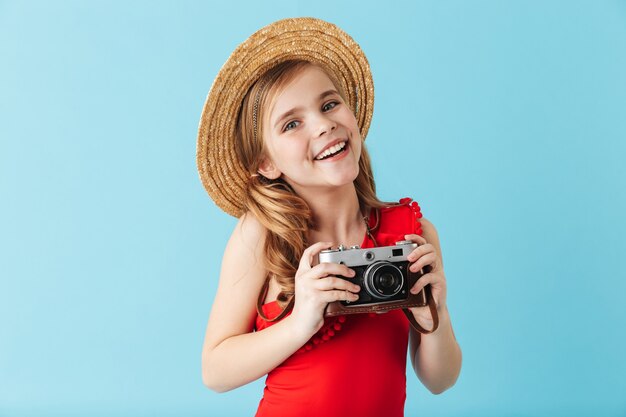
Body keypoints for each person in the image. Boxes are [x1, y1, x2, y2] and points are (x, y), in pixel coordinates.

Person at [197, 17, 462, 417]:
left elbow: (440, 380)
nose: (324, 125)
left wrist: (433, 316)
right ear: (266, 163)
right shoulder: (264, 236)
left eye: (329, 104)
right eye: (292, 123)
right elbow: (215, 370)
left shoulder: (413, 234)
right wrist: (301, 321)